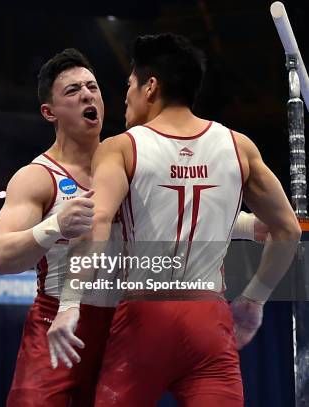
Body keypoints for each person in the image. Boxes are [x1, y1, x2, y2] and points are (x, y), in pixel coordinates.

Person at [49, 33, 301, 406]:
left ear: (151, 87)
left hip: (143, 320)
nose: (126, 97)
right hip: (208, 322)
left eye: (129, 86)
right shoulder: (239, 146)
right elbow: (288, 230)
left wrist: (69, 302)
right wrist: (253, 300)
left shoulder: (121, 148)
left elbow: (97, 225)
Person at [0, 48, 116, 406]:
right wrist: (54, 226)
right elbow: (0, 258)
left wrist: (248, 226)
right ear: (49, 112)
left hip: (121, 327)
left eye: (92, 87)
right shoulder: (36, 178)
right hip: (55, 319)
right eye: (73, 91)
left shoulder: (127, 165)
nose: (87, 95)